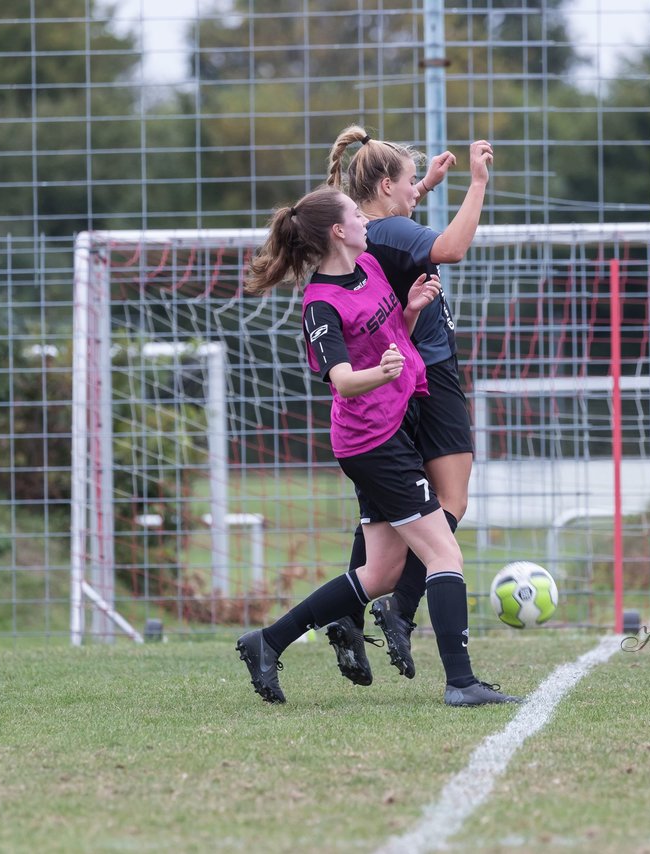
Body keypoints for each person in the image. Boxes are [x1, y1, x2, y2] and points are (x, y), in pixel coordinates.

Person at [235, 184, 518, 708]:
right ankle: (461, 682)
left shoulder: (368, 269)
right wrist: (381, 372)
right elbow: (342, 379)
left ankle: (267, 641)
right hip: (372, 442)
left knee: (382, 572)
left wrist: (408, 312)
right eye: (355, 216)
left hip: (395, 429)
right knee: (443, 551)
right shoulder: (320, 304)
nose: (368, 221)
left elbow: (390, 337)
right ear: (338, 231)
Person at [320, 126, 493, 684]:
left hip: (398, 382)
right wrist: (478, 183)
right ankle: (400, 608)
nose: (416, 189)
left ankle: (350, 615)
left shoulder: (371, 229)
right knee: (448, 502)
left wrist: (428, 184)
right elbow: (451, 248)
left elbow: (399, 215)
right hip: (427, 372)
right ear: (385, 184)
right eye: (409, 182)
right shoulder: (391, 230)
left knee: (389, 512)